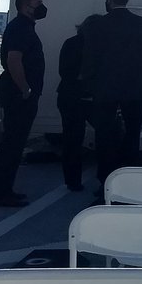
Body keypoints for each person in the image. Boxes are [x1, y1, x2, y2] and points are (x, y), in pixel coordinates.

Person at [82, 0, 142, 189]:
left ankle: (106, 181)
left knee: (104, 136)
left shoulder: (97, 25)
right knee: (133, 134)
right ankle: (130, 178)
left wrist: (89, 86)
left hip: (104, 90)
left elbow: (90, 59)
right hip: (135, 89)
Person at [0, 0, 48, 206]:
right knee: (12, 144)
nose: (42, 6)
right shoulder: (21, 29)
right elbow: (14, 60)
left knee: (15, 144)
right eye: (38, 2)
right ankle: (1, 193)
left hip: (19, 94)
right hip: (18, 95)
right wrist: (25, 89)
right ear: (26, 6)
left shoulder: (23, 28)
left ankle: (6, 190)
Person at [56, 16, 100, 192]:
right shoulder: (98, 47)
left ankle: (72, 181)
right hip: (89, 99)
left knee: (72, 140)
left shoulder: (70, 43)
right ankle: (106, 177)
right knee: (107, 135)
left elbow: (63, 71)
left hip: (68, 96)